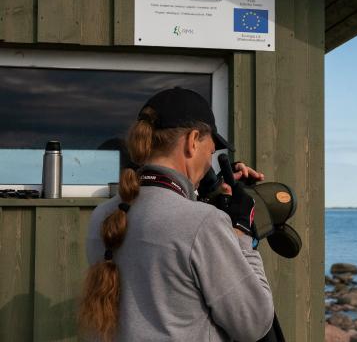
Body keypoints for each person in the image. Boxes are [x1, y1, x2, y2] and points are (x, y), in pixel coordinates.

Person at [79, 87, 274, 342]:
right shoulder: (203, 223)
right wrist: (240, 232)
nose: (209, 163)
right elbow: (253, 323)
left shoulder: (103, 216)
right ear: (193, 141)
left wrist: (207, 198)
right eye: (211, 152)